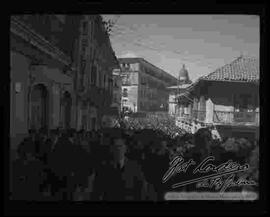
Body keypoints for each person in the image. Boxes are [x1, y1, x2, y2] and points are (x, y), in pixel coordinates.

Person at [92, 129, 147, 201]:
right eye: (116, 147)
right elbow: (97, 191)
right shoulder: (104, 168)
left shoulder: (135, 167)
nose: (118, 149)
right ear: (112, 149)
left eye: (120, 146)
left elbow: (140, 190)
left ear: (125, 148)